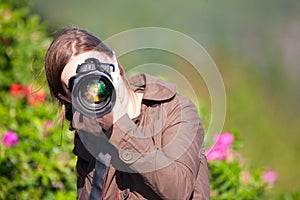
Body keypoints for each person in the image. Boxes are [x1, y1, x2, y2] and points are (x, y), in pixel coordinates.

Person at [44, 26, 210, 200]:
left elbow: (178, 191)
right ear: (68, 97)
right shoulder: (89, 130)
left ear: (114, 62)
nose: (94, 85)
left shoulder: (175, 109)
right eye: (79, 83)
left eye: (97, 69)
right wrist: (99, 139)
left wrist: (120, 126)